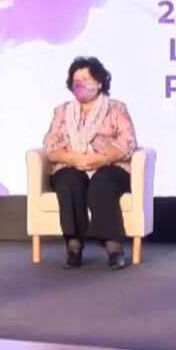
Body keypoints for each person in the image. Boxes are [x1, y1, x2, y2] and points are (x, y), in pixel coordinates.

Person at [43, 56, 137, 270]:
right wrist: (71, 158)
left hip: (109, 165)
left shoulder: (116, 109)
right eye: (76, 80)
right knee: (68, 181)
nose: (80, 84)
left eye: (85, 79)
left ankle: (113, 246)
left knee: (102, 183)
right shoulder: (62, 111)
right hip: (71, 164)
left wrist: (101, 158)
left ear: (99, 82)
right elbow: (50, 143)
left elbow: (127, 141)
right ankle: (74, 245)